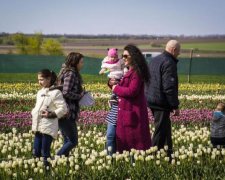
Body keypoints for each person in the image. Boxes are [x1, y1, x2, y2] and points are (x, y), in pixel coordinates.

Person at [110, 44, 151, 153]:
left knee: (133, 146)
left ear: (134, 56)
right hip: (127, 112)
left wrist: (115, 88)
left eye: (126, 56)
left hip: (133, 113)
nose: (123, 58)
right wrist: (114, 84)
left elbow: (132, 91)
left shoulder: (136, 72)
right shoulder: (131, 71)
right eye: (122, 56)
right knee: (128, 146)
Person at [145, 39, 181, 158]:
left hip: (151, 98)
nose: (179, 54)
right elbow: (169, 86)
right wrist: (174, 105)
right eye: (178, 51)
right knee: (160, 130)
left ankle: (168, 153)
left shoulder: (155, 59)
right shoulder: (169, 62)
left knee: (165, 127)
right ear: (174, 49)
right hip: (161, 101)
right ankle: (154, 155)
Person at [31, 69, 68, 166]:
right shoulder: (40, 92)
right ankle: (37, 171)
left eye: (42, 79)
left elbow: (63, 108)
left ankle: (47, 172)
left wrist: (51, 114)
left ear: (49, 79)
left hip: (48, 127)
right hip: (38, 127)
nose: (39, 82)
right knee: (36, 152)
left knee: (44, 152)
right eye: (38, 79)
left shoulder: (56, 92)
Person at [56, 52, 84, 157]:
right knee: (73, 141)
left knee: (67, 140)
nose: (82, 64)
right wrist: (79, 96)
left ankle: (65, 162)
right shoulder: (71, 73)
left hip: (63, 110)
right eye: (81, 62)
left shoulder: (64, 71)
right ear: (75, 62)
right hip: (67, 111)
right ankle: (57, 158)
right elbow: (66, 92)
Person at [100, 48, 126, 155]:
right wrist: (112, 82)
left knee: (122, 138)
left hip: (124, 111)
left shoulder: (127, 73)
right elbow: (110, 83)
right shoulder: (112, 76)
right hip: (114, 111)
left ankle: (119, 156)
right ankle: (110, 158)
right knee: (110, 136)